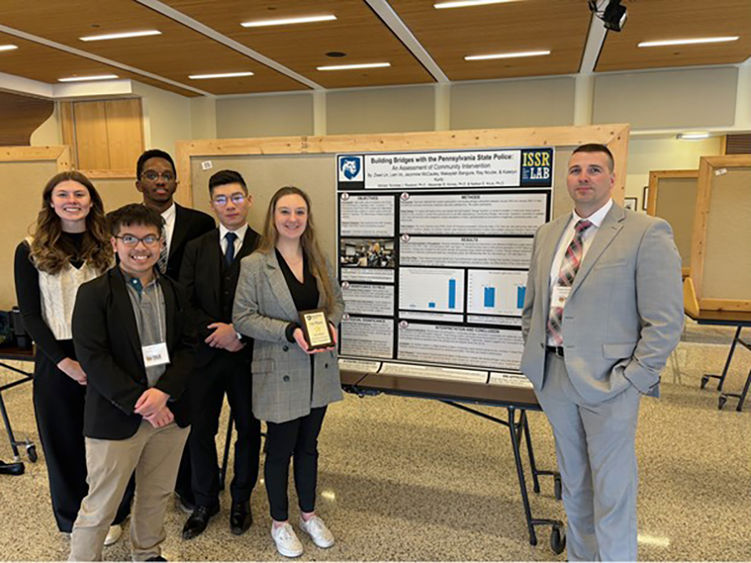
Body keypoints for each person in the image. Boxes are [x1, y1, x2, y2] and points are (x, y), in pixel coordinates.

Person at [520, 144, 683, 560]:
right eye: (575, 170)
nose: (583, 177)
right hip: (554, 378)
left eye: (595, 169)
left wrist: (633, 379)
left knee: (612, 489)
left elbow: (665, 320)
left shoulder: (647, 232)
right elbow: (534, 307)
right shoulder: (548, 234)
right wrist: (535, 356)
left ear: (613, 178)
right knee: (575, 482)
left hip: (611, 382)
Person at [68, 204, 195, 561]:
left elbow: (189, 348)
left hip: (170, 415)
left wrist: (164, 393)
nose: (140, 247)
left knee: (156, 494)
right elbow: (94, 358)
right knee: (102, 503)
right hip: (116, 416)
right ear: (114, 243)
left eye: (149, 238)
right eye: (130, 238)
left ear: (161, 242)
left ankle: (148, 552)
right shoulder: (94, 294)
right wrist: (145, 402)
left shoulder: (175, 291)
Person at [13, 171, 132, 543]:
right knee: (63, 439)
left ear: (92, 200)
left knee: (110, 443)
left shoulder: (109, 245)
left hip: (106, 352)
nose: (71, 200)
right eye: (62, 194)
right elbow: (31, 315)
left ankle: (113, 511)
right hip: (57, 356)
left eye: (79, 193)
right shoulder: (30, 248)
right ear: (51, 201)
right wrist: (65, 364)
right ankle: (72, 515)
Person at [233, 186, 344, 558]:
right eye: (285, 212)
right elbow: (242, 318)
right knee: (280, 450)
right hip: (279, 366)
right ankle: (280, 522)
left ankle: (308, 514)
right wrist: (287, 331)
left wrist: (330, 324)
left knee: (308, 448)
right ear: (273, 216)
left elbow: (337, 304)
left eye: (300, 211)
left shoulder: (317, 259)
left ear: (307, 217)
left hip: (318, 369)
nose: (293, 219)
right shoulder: (255, 264)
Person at [178, 170, 262, 539]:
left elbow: (274, 304)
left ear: (249, 199)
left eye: (237, 197)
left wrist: (239, 332)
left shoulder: (266, 247)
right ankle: (204, 500)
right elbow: (184, 300)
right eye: (222, 199)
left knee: (248, 429)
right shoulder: (196, 247)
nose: (230, 205)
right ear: (212, 204)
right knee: (200, 431)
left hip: (249, 357)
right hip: (205, 356)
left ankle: (241, 499)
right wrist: (216, 333)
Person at [135, 148, 214, 509]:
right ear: (139, 183)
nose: (161, 181)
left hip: (184, 332)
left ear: (177, 182)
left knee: (185, 412)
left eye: (167, 175)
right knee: (142, 406)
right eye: (152, 175)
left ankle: (187, 487)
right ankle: (141, 485)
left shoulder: (199, 224)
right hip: (138, 328)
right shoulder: (122, 223)